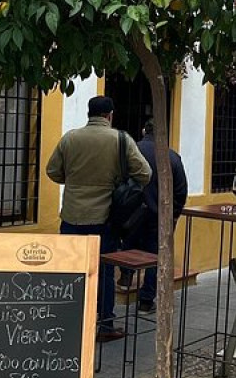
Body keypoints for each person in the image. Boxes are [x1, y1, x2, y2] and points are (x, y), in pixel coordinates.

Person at [46, 96, 152, 342]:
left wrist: (74, 182)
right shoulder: (121, 140)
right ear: (110, 115)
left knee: (71, 270)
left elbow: (52, 171)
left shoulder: (70, 138)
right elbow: (145, 174)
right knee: (104, 271)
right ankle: (104, 325)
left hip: (72, 215)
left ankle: (68, 322)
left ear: (89, 114)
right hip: (104, 218)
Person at [120, 120, 188, 313]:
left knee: (128, 247)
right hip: (159, 216)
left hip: (131, 213)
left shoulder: (130, 152)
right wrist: (173, 216)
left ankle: (125, 276)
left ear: (143, 131)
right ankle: (146, 300)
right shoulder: (172, 157)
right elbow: (181, 191)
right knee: (155, 258)